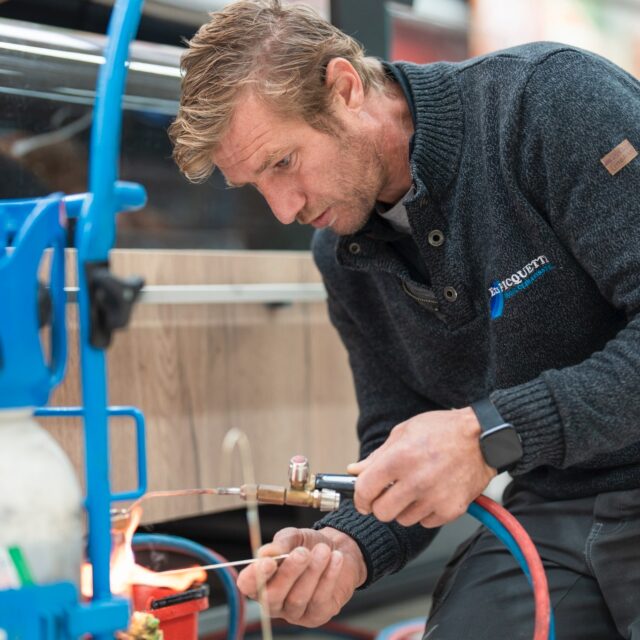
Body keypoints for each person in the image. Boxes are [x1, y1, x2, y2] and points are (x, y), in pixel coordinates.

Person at [169, 1, 640, 637]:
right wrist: (347, 547)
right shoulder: (341, 252)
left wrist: (491, 436)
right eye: (256, 185)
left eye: (283, 162)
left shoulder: (548, 104)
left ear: (345, 87)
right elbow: (396, 435)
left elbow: (481, 438)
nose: (283, 209)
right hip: (554, 507)